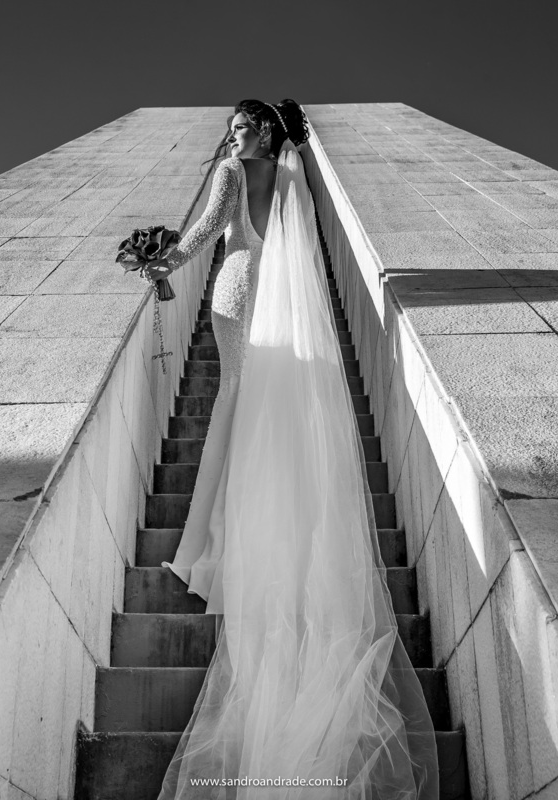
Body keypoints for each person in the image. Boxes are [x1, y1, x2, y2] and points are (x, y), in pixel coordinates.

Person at [138, 99, 438, 799]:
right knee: (258, 401)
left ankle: (212, 532)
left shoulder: (231, 172)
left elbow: (204, 232)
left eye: (242, 127)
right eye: (233, 130)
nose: (233, 138)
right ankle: (255, 517)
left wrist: (158, 262)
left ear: (265, 130)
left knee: (235, 396)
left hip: (238, 286)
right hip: (274, 289)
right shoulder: (292, 177)